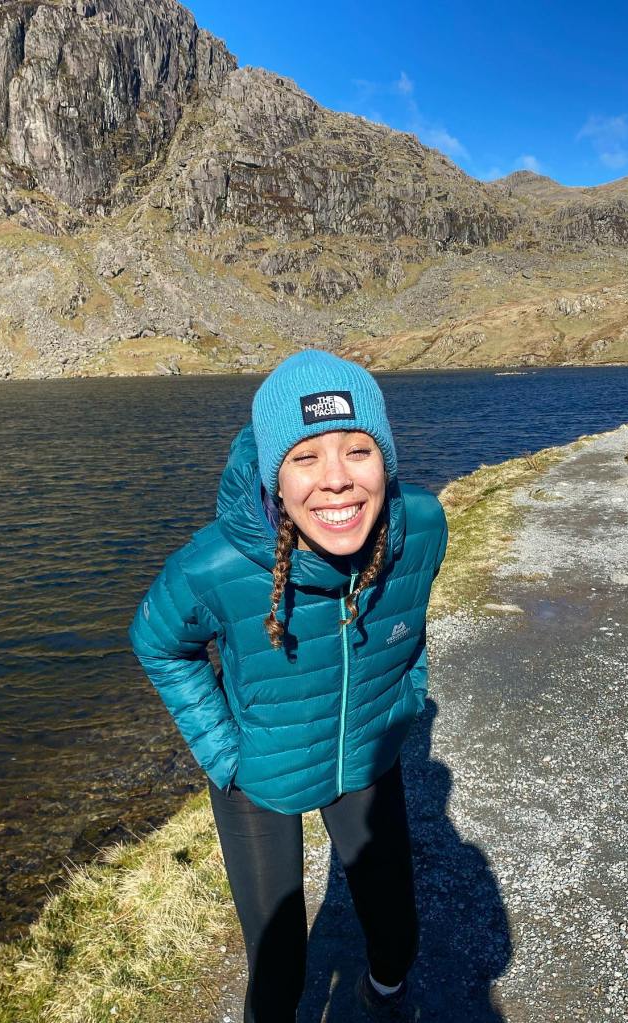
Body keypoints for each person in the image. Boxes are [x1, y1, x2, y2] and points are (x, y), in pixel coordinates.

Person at [128, 350, 448, 1022]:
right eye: (305, 458)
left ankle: (382, 997)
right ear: (276, 476)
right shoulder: (216, 563)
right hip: (259, 777)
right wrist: (225, 755)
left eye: (357, 450)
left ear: (384, 460)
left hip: (365, 754)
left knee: (396, 933)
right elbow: (158, 640)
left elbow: (410, 617)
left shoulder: (420, 526)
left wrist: (402, 698)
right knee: (279, 968)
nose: (335, 480)